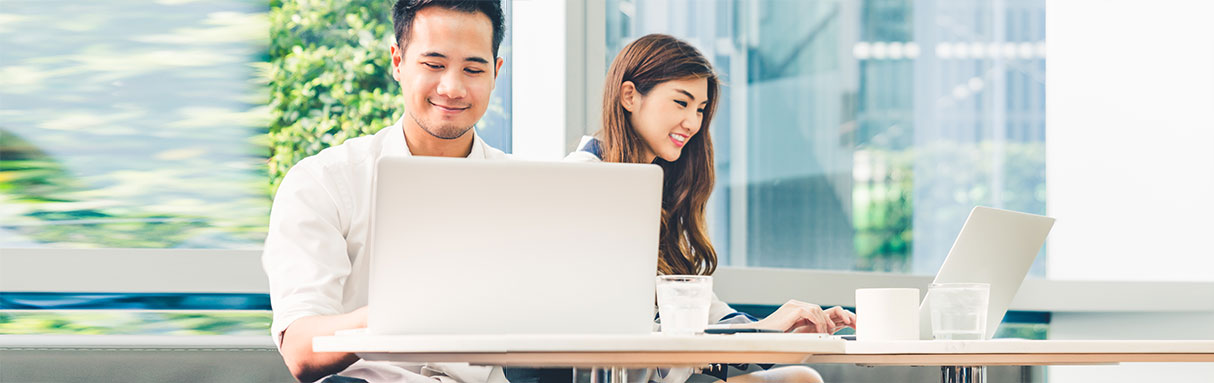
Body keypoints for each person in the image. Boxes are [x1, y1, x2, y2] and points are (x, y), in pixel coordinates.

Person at [564, 33, 856, 383]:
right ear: (629, 96)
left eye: (700, 109)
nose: (693, 122)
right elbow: (615, 326)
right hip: (611, 372)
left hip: (658, 369)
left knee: (801, 378)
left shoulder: (658, 190)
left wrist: (776, 330)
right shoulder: (583, 179)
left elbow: (704, 311)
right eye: (681, 102)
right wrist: (760, 336)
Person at [261, 1, 507, 382]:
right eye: (434, 64)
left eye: (473, 69)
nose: (453, 88)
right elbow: (300, 349)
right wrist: (396, 314)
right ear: (398, 61)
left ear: (496, 73)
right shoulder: (324, 182)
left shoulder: (521, 190)